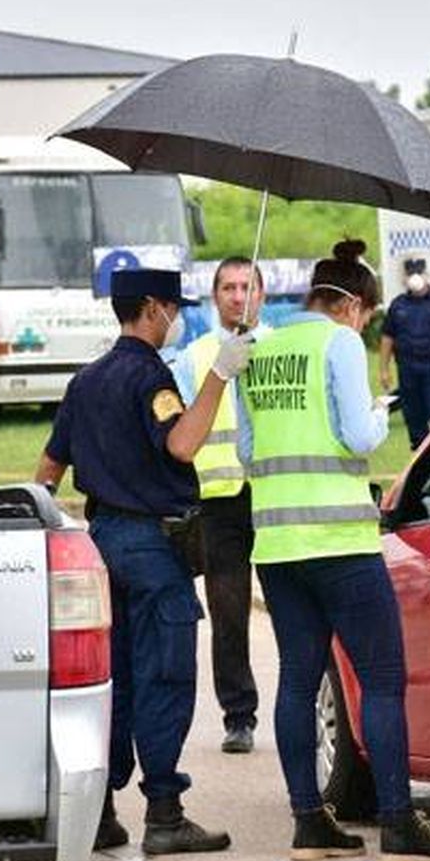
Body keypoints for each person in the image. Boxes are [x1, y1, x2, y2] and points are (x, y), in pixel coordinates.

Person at [236, 240, 430, 861]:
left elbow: (247, 452)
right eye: (365, 315)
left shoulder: (255, 347)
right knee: (384, 680)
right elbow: (358, 435)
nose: (364, 325)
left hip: (278, 542)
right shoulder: (337, 343)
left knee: (296, 680)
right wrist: (376, 410)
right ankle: (398, 826)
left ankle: (309, 823)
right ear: (350, 305)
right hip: (340, 539)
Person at [34, 268, 251, 856]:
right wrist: (218, 376)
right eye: (172, 308)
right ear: (152, 309)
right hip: (154, 551)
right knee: (163, 677)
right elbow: (182, 444)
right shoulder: (150, 375)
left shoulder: (85, 381)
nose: (176, 318)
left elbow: (48, 471)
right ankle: (164, 812)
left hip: (101, 544)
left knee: (110, 682)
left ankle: (100, 814)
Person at [171, 257, 264, 755]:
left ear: (262, 294)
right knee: (228, 612)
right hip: (219, 500)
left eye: (246, 286)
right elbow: (185, 428)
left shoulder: (277, 347)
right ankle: (239, 715)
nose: (237, 296)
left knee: (295, 611)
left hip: (271, 495)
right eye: (227, 287)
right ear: (215, 297)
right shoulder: (197, 355)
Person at [379, 257, 430, 449]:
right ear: (404, 277)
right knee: (414, 417)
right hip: (407, 368)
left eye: (418, 272)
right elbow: (387, 338)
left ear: (426, 275)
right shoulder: (398, 304)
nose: (414, 276)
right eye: (410, 273)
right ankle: (420, 463)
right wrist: (384, 369)